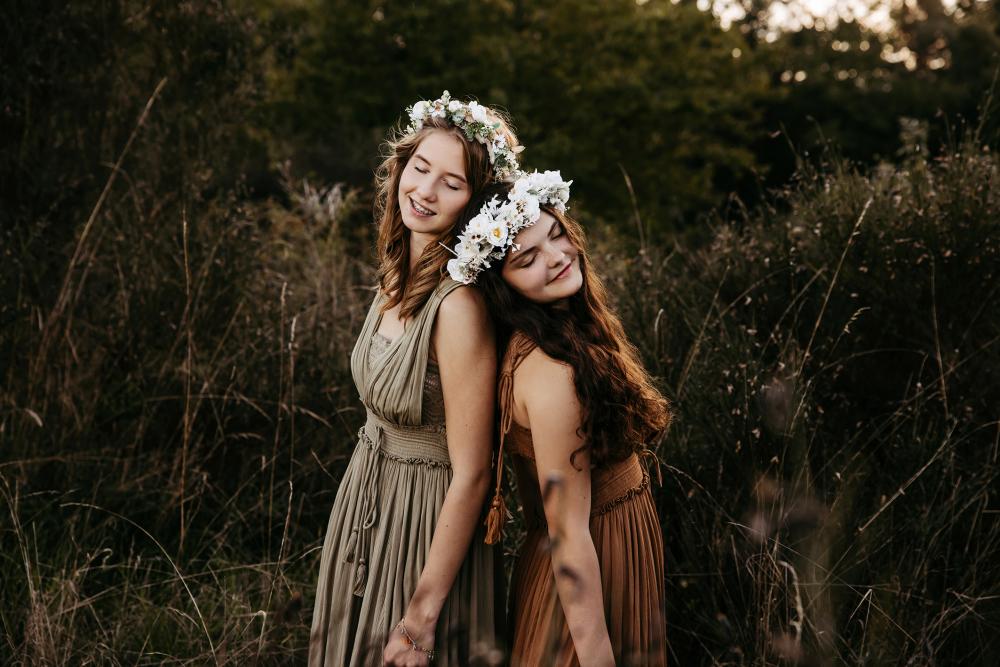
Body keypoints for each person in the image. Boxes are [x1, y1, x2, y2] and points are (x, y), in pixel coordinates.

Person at [308, 92, 520, 667]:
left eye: (451, 183)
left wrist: (421, 616)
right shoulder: (395, 273)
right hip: (367, 496)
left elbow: (475, 473)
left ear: (475, 203)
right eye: (420, 169)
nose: (424, 191)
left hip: (425, 523)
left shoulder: (458, 307)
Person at [449, 171, 670, 666]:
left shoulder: (559, 332)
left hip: (611, 547)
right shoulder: (552, 377)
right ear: (501, 286)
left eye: (555, 234)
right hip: (590, 566)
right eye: (526, 259)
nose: (556, 257)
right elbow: (567, 532)